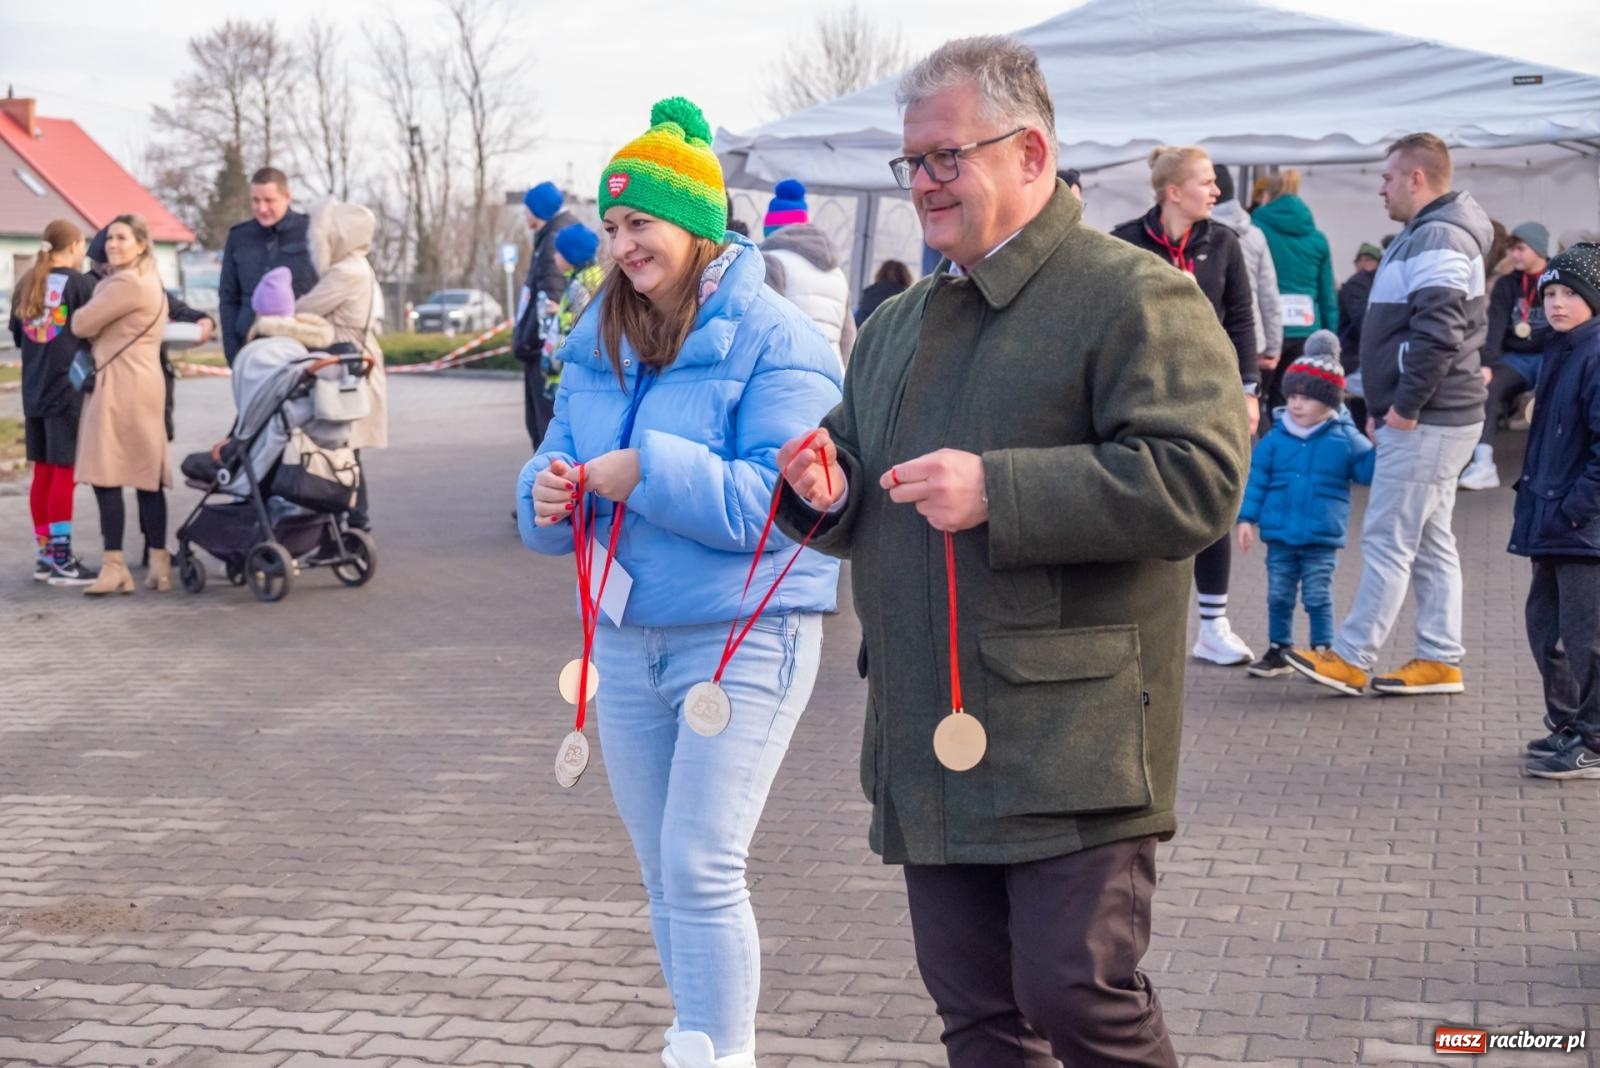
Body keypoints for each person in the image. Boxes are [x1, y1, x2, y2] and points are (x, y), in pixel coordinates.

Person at [774, 37, 1248, 1068]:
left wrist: (1000, 488)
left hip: (1067, 740)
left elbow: (1200, 482)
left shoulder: (1131, 295)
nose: (925, 185)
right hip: (928, 729)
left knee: (1078, 999)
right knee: (979, 1020)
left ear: (1031, 153)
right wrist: (823, 487)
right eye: (914, 163)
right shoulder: (896, 322)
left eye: (948, 157)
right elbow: (854, 482)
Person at [516, 97, 843, 1068]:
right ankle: (695, 1043)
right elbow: (554, 487)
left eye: (639, 224)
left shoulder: (779, 339)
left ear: (697, 226)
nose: (620, 245)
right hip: (624, 639)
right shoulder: (596, 342)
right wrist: (546, 494)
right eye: (611, 226)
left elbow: (773, 506)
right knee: (663, 871)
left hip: (746, 638)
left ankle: (718, 1054)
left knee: (701, 864)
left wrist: (643, 471)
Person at [1288, 133, 1489, 697]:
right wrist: (1389, 405)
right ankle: (1440, 658)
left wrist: (1402, 406)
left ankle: (1353, 657)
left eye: (1387, 177)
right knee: (1428, 540)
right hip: (1432, 414)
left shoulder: (1440, 237)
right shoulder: (1427, 234)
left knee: (1388, 538)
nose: (1381, 187)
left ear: (1417, 179)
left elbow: (1439, 332)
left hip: (1429, 416)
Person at [1113, 145, 1259, 667]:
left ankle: (1214, 626)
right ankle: (1136, 618)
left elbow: (1241, 320)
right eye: (1207, 182)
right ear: (1173, 192)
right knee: (1144, 499)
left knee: (1212, 499)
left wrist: (1248, 389)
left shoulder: (1224, 242)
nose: (1217, 190)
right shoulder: (1124, 242)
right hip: (1142, 395)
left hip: (1209, 395)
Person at [1236, 333, 1376, 677]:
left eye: (1306, 398)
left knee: (1317, 596)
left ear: (1329, 402)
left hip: (1320, 537)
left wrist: (1379, 446)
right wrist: (1245, 518)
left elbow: (1368, 473)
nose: (1296, 404)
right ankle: (1279, 649)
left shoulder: (1345, 437)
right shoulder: (1275, 438)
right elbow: (1257, 480)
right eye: (1293, 395)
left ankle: (1322, 649)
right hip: (1280, 536)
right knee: (1278, 596)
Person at [1510, 244, 1600, 778]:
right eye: (1552, 293)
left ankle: (1593, 737)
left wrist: (1573, 509)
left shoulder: (1593, 355)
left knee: (1587, 638)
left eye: (1571, 294)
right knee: (1545, 627)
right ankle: (1571, 724)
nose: (1559, 304)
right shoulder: (1559, 350)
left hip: (1581, 524)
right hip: (1552, 519)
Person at [69, 215, 170, 596]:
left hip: (118, 385)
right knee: (147, 475)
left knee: (105, 472)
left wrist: (93, 310)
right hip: (145, 381)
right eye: (109, 238)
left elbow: (80, 324)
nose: (112, 244)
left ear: (141, 244)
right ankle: (159, 562)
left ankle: (115, 564)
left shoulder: (124, 283)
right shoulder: (151, 281)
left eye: (121, 238)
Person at [9, 219, 98, 585]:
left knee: (42, 472)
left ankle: (45, 554)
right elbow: (94, 328)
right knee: (63, 472)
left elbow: (19, 336)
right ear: (76, 245)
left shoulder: (27, 282)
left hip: (33, 386)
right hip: (67, 387)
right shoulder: (79, 284)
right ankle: (63, 559)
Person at [295, 201, 386, 531]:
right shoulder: (360, 266)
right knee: (347, 448)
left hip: (345, 366)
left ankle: (349, 524)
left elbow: (305, 307)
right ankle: (348, 525)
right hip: (356, 362)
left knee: (340, 447)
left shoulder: (344, 272)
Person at [1460, 221, 1553, 490]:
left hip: (1551, 355)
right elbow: (1496, 327)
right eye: (1511, 249)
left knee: (1559, 396)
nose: (1513, 255)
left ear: (1538, 249)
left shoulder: (1558, 278)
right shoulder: (1506, 284)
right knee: (1487, 389)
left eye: (1520, 249)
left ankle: (1552, 466)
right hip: (1517, 358)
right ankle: (1483, 463)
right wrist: (1487, 365)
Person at [1253, 169, 1339, 407]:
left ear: (1267, 195)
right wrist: (1329, 338)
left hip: (1267, 331)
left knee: (1256, 401)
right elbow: (1327, 295)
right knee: (1296, 404)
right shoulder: (1317, 238)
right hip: (1308, 332)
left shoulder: (1255, 229)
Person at [218, 167, 317, 366]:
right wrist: (232, 352)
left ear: (287, 196)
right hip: (250, 347)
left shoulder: (311, 232)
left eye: (269, 200)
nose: (261, 208)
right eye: (255, 200)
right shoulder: (239, 237)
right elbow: (228, 298)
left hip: (300, 348)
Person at [759, 178, 856, 368]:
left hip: (790, 378)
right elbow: (848, 341)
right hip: (834, 381)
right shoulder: (837, 273)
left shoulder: (770, 262)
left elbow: (760, 329)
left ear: (770, 227)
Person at [512, 181, 579, 450]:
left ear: (537, 210)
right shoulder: (552, 236)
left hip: (544, 356)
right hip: (541, 351)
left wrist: (528, 341)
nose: (525, 216)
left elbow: (550, 298)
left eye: (527, 209)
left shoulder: (553, 240)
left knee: (546, 430)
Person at [1212, 165, 1283, 388]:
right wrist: (1273, 346)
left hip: (1214, 340)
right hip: (1252, 341)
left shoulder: (1198, 235)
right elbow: (1268, 294)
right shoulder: (1254, 233)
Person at [536, 222, 605, 397]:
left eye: (558, 252)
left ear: (571, 256)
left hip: (569, 379)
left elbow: (569, 332)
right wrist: (560, 310)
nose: (554, 257)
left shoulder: (578, 286)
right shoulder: (594, 279)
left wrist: (551, 363)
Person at [1338, 242, 1384, 429]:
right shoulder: (1357, 284)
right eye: (1361, 259)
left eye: (1370, 259)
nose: (1365, 264)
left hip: (1363, 361)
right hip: (1356, 362)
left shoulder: (1371, 283)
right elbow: (1364, 323)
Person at [854, 259, 912, 325]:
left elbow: (858, 323)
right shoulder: (909, 299)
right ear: (906, 277)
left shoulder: (868, 296)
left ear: (880, 274)